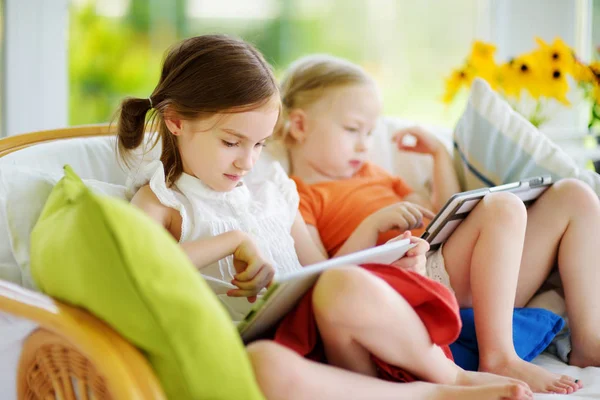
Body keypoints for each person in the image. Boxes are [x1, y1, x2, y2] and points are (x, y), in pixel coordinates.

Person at [116, 35, 533, 400]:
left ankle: (456, 378)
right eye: (231, 142)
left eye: (260, 144)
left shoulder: (272, 188)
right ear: (175, 121)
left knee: (343, 283)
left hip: (327, 327)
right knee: (262, 367)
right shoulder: (162, 202)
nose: (247, 161)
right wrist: (233, 241)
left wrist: (387, 259)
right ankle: (429, 393)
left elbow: (320, 270)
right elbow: (140, 269)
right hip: (277, 349)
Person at [275, 54, 599, 394]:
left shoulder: (375, 174)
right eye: (353, 129)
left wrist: (440, 157)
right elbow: (318, 276)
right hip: (408, 286)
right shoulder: (300, 197)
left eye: (370, 133)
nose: (364, 145)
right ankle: (499, 355)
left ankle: (587, 340)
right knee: (502, 207)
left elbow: (444, 215)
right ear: (299, 125)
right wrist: (370, 227)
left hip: (471, 272)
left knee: (574, 195)